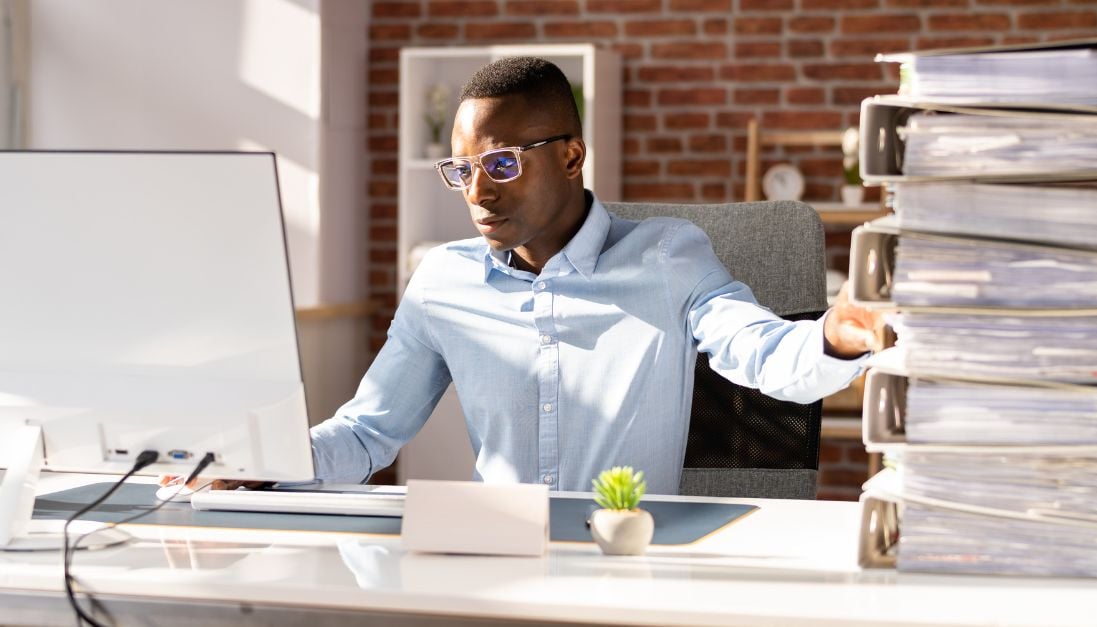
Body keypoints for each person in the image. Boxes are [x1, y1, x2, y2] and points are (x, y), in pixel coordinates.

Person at [169, 56, 880, 496]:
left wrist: (838, 337)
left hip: (625, 565)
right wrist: (263, 461)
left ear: (572, 157)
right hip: (492, 567)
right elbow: (366, 433)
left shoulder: (667, 257)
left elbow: (764, 354)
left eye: (503, 163)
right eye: (463, 170)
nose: (478, 192)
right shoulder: (442, 283)